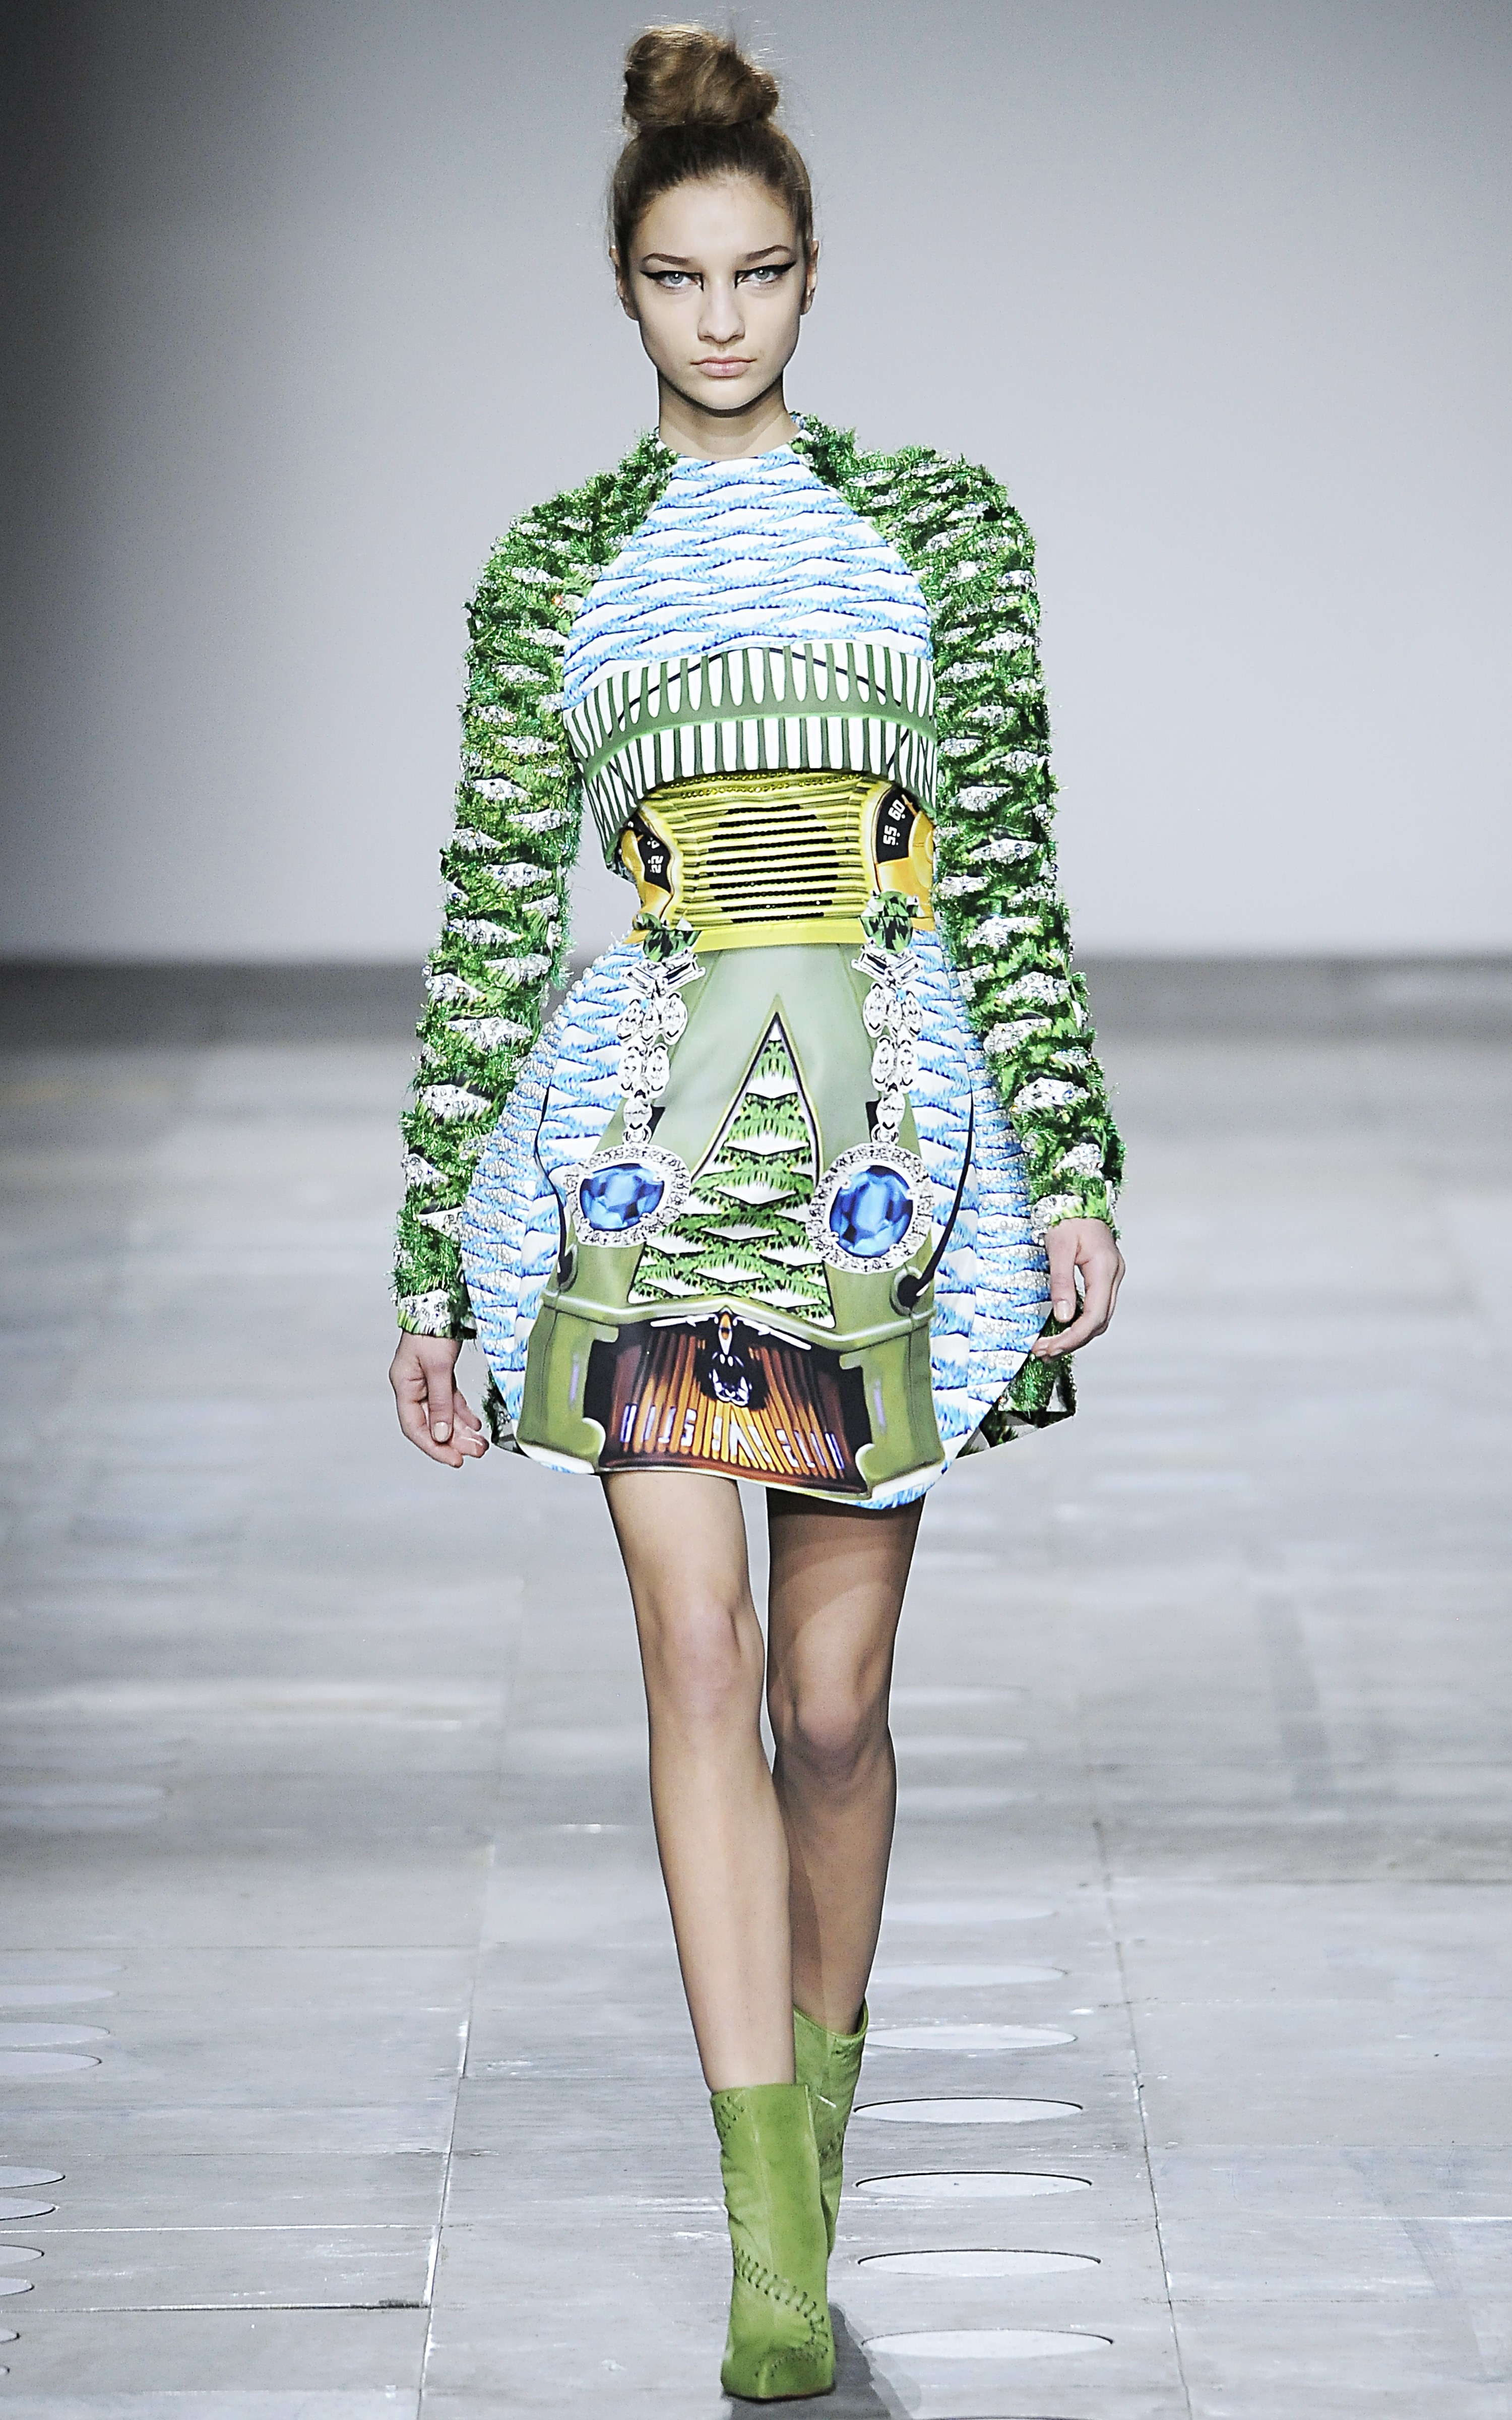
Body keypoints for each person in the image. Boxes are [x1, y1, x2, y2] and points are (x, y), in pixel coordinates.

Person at [389, 22, 1123, 2401]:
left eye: (761, 273)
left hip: (883, 1159)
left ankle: (817, 2125)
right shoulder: (555, 569)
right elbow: (493, 916)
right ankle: (769, 2245)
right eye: (680, 279)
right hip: (640, 1155)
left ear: (814, 275)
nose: (722, 317)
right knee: (697, 1667)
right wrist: (427, 1256)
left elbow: (1008, 872)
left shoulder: (946, 533)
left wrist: (1075, 1163)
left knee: (833, 1707)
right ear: (623, 289)